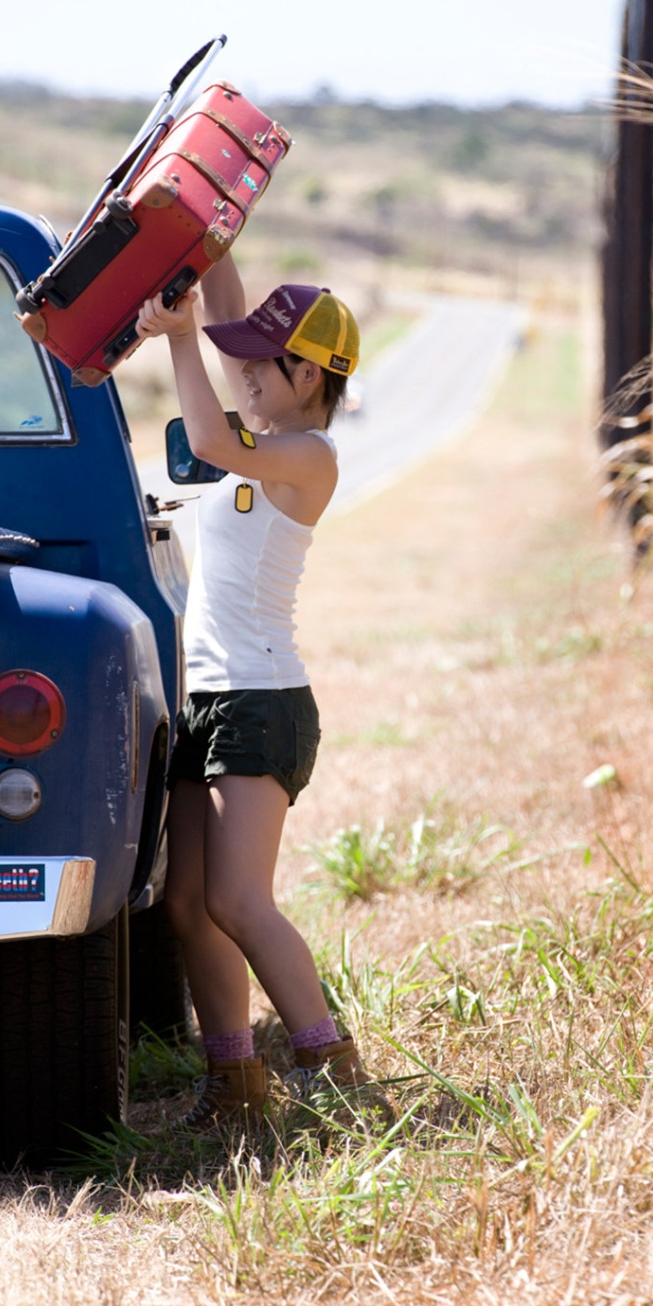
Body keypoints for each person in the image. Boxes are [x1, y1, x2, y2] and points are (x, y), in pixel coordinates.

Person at [135, 255, 383, 1129]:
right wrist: (208, 246)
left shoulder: (304, 456)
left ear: (306, 373)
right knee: (188, 905)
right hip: (209, 698)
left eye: (258, 361)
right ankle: (234, 1083)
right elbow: (226, 319)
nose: (240, 370)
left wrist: (175, 343)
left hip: (262, 701)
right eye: (238, 359)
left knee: (238, 900)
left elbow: (206, 441)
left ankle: (337, 1074)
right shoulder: (264, 430)